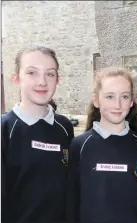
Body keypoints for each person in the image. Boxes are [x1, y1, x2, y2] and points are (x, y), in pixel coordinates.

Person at [67, 67, 137, 223]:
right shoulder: (80, 146)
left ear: (131, 101)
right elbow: (71, 202)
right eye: (110, 97)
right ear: (96, 100)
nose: (118, 104)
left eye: (124, 97)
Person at [1, 46, 74, 223]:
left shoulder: (64, 127)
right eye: (32, 73)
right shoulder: (5, 129)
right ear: (16, 79)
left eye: (49, 74)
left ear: (57, 79)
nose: (42, 81)